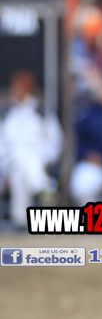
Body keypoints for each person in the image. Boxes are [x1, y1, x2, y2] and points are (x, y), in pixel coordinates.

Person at [0, 72, 63, 229]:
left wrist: (47, 158)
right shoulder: (6, 113)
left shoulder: (42, 112)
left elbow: (55, 141)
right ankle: (44, 188)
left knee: (22, 169)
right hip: (10, 159)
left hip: (39, 159)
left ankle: (21, 220)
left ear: (28, 89)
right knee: (19, 159)